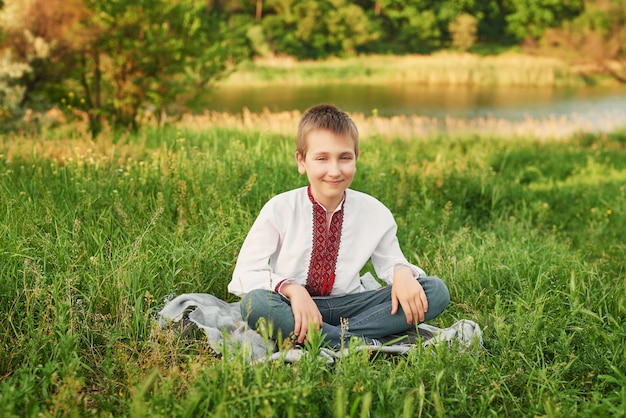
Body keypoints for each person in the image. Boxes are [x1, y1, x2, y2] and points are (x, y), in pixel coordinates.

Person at [228, 104, 450, 349]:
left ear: (356, 158)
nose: (334, 171)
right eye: (322, 158)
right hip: (290, 306)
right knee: (256, 303)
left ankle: (329, 338)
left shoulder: (375, 212)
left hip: (352, 305)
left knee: (434, 291)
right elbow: (244, 274)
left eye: (345, 158)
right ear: (301, 161)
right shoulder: (279, 208)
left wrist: (402, 272)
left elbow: (391, 262)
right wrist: (292, 289)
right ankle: (359, 342)